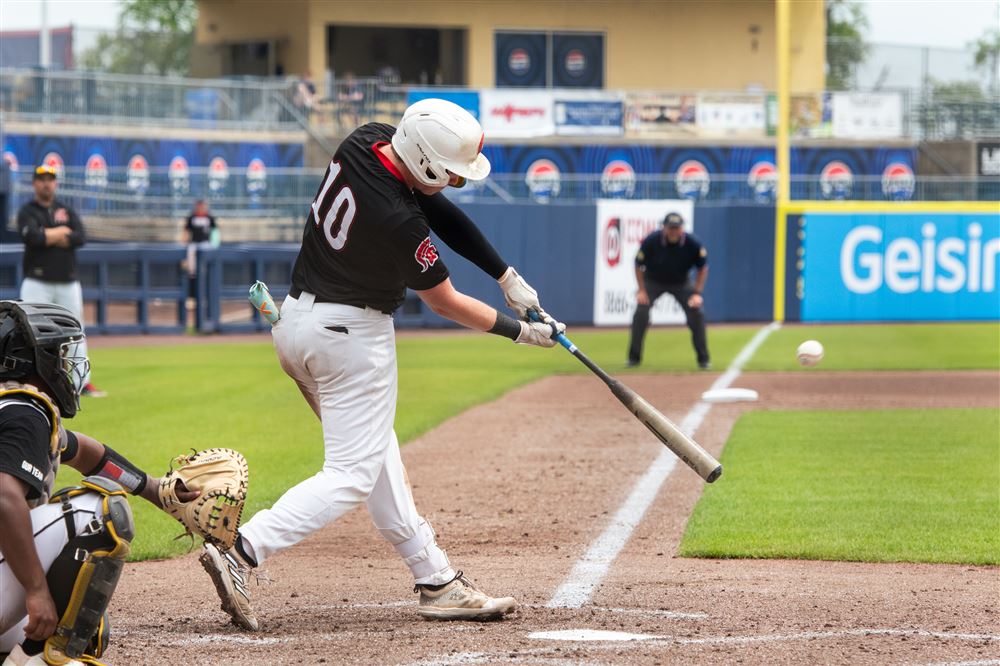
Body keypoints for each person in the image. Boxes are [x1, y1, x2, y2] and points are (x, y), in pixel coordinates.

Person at [199, 98, 564, 630]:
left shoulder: (366, 139)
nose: (454, 182)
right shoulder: (399, 222)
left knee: (377, 455)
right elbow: (445, 302)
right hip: (350, 340)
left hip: (296, 323)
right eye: (449, 173)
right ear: (426, 164)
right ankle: (242, 549)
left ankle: (436, 579)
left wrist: (505, 276)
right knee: (351, 475)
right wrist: (520, 331)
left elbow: (440, 211)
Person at [0, 301, 197, 666]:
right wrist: (36, 590)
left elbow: (89, 454)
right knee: (99, 512)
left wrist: (158, 492)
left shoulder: (11, 407)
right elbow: (4, 498)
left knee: (86, 622)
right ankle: (37, 660)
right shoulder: (25, 413)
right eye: (61, 354)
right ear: (36, 360)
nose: (68, 365)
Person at [16, 166, 104, 399]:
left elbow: (80, 236)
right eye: (42, 179)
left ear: (55, 183)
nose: (46, 183)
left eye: (50, 179)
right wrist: (62, 232)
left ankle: (81, 383)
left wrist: (50, 235)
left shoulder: (65, 209)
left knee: (75, 331)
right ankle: (32, 382)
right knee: (31, 332)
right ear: (34, 183)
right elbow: (33, 237)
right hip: (37, 281)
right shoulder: (28, 211)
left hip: (67, 281)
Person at [627, 212, 710, 369]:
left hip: (681, 283)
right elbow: (638, 265)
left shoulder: (692, 243)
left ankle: (703, 359)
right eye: (670, 228)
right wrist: (641, 290)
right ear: (664, 228)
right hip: (653, 281)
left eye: (676, 228)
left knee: (697, 312)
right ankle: (633, 358)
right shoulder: (652, 240)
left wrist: (697, 293)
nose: (673, 231)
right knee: (641, 312)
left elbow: (703, 268)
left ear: (682, 229)